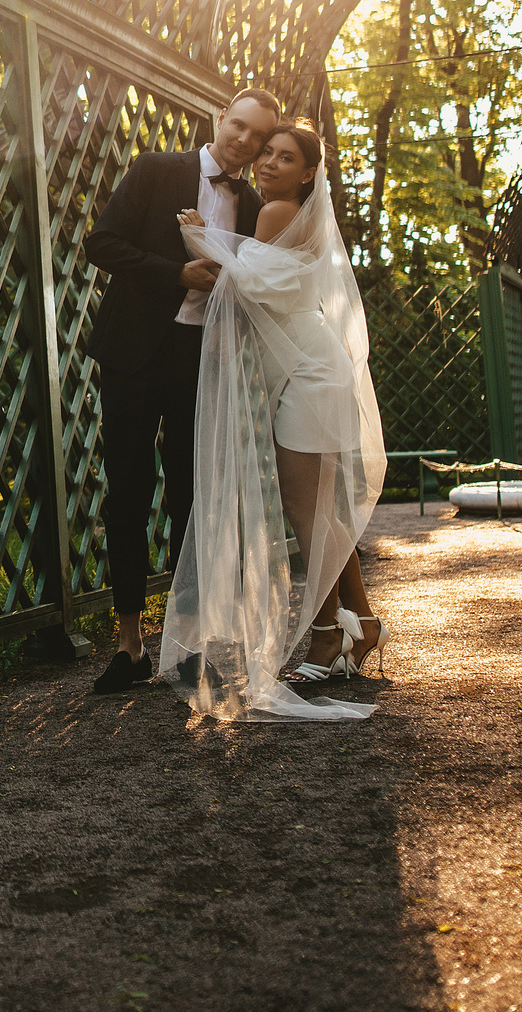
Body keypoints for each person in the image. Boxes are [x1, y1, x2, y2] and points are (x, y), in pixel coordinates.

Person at [155, 122, 389, 721]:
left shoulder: (278, 212)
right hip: (313, 369)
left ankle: (327, 636)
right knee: (322, 510)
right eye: (266, 153)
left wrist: (200, 240)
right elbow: (258, 275)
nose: (268, 163)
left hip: (309, 375)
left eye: (285, 158)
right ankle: (362, 623)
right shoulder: (297, 215)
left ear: (308, 173)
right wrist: (211, 240)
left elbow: (249, 287)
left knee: (305, 510)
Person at [81, 87, 280, 694]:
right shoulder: (156, 169)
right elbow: (101, 244)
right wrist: (177, 274)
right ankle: (129, 645)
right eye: (238, 125)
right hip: (133, 354)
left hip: (202, 359)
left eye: (258, 136)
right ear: (221, 118)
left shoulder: (256, 207)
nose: (244, 140)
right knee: (128, 492)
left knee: (193, 499)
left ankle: (188, 643)